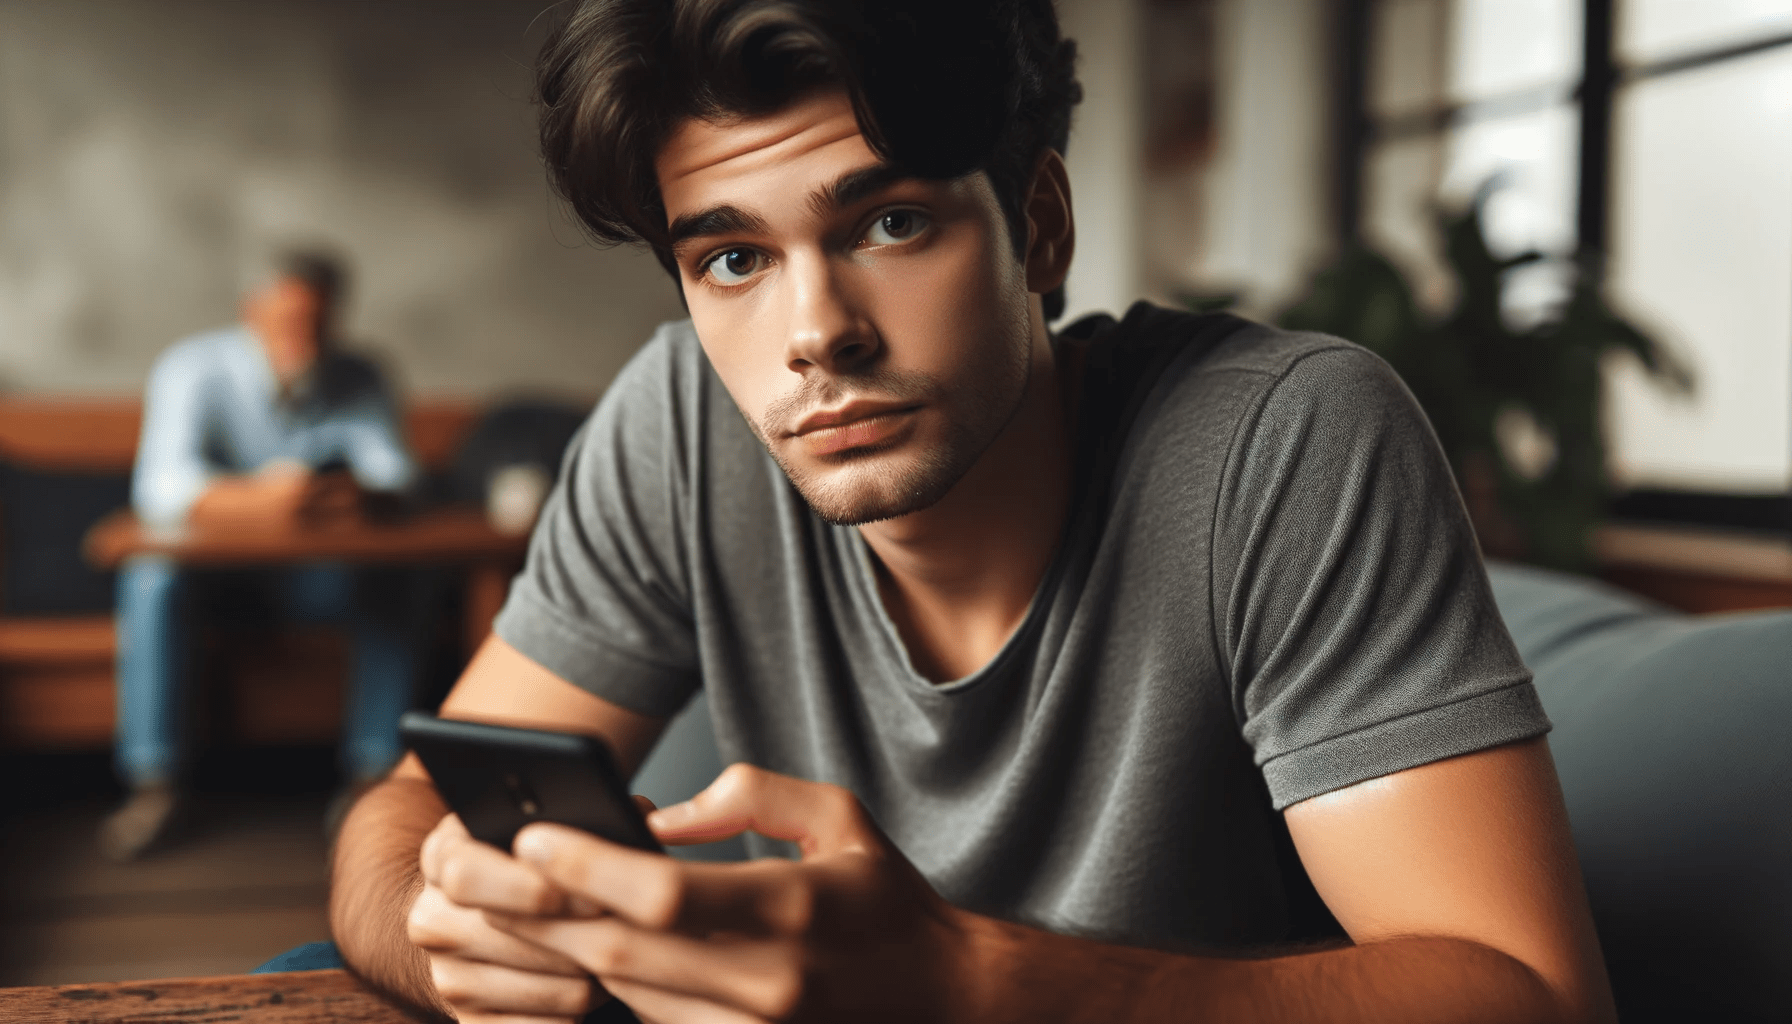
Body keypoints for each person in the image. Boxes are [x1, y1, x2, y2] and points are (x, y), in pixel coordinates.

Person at [330, 3, 1618, 1021]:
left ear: (1040, 227)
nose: (813, 335)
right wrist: (452, 942)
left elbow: (1535, 996)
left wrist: (970, 988)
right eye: (731, 258)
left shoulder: (1284, 435)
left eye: (890, 222)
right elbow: (395, 820)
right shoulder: (681, 419)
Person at [104, 249, 423, 862]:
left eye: (318, 320)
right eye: (289, 318)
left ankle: (373, 779)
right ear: (252, 311)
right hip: (216, 586)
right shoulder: (193, 368)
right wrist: (261, 499)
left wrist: (339, 490)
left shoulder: (359, 372)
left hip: (314, 584)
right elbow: (159, 487)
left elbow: (397, 476)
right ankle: (156, 783)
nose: (304, 334)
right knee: (153, 579)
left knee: (401, 575)